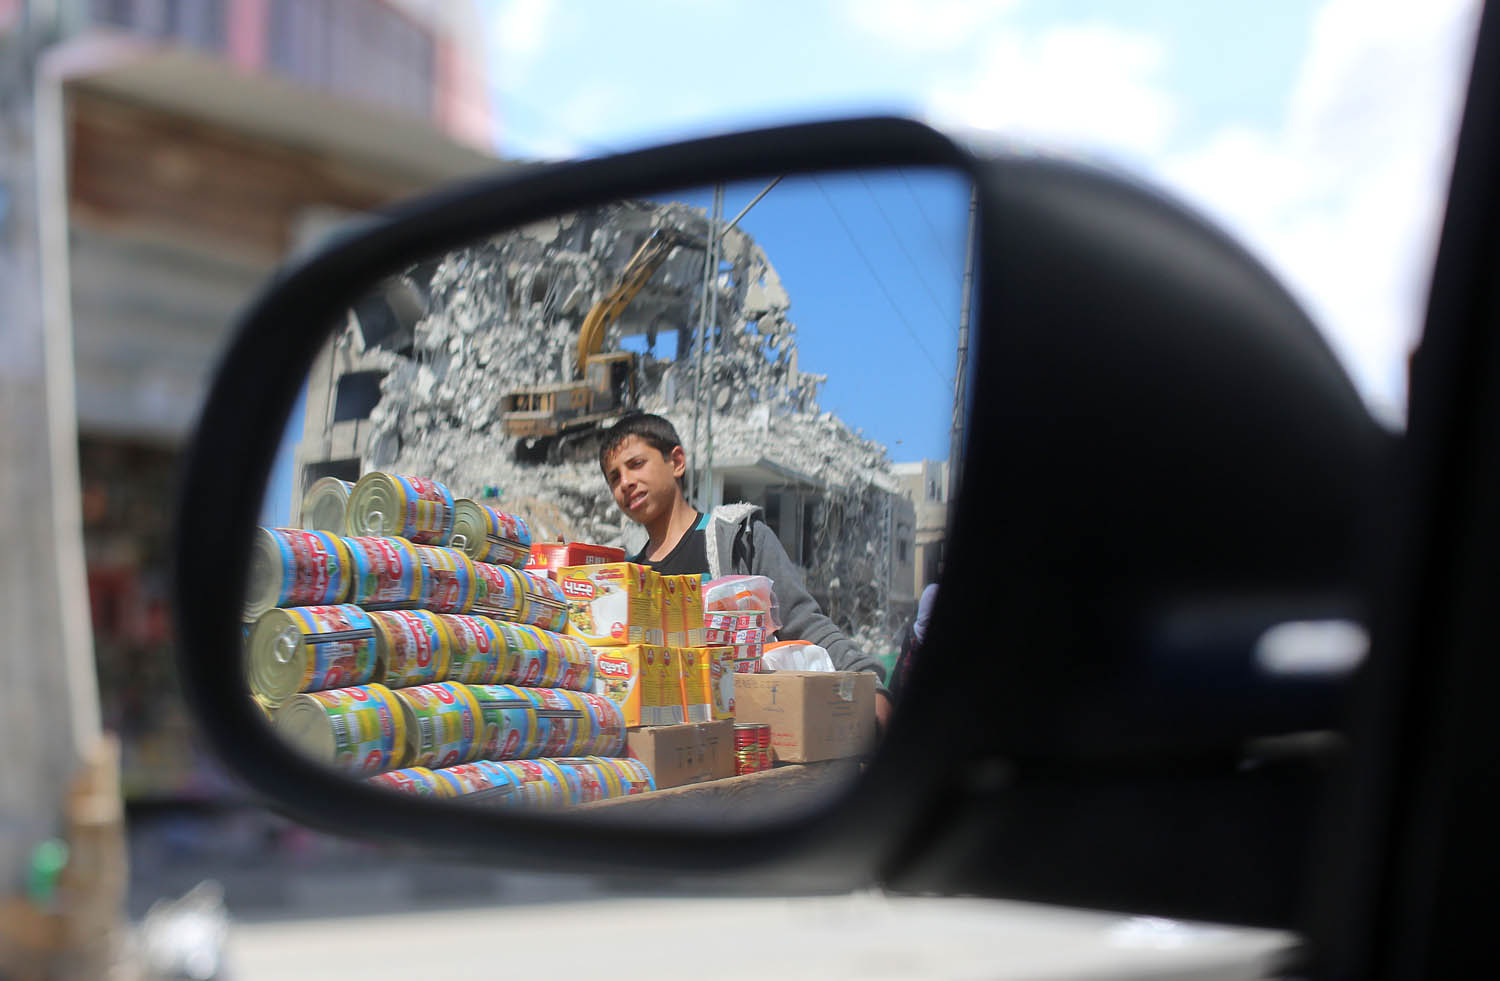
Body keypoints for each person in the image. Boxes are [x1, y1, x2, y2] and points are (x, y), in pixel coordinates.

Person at [598, 411, 893, 729]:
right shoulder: (631, 578)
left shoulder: (739, 540)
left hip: (746, 747)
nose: (625, 482)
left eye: (636, 464)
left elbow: (805, 626)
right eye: (614, 477)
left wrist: (869, 684)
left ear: (677, 462)